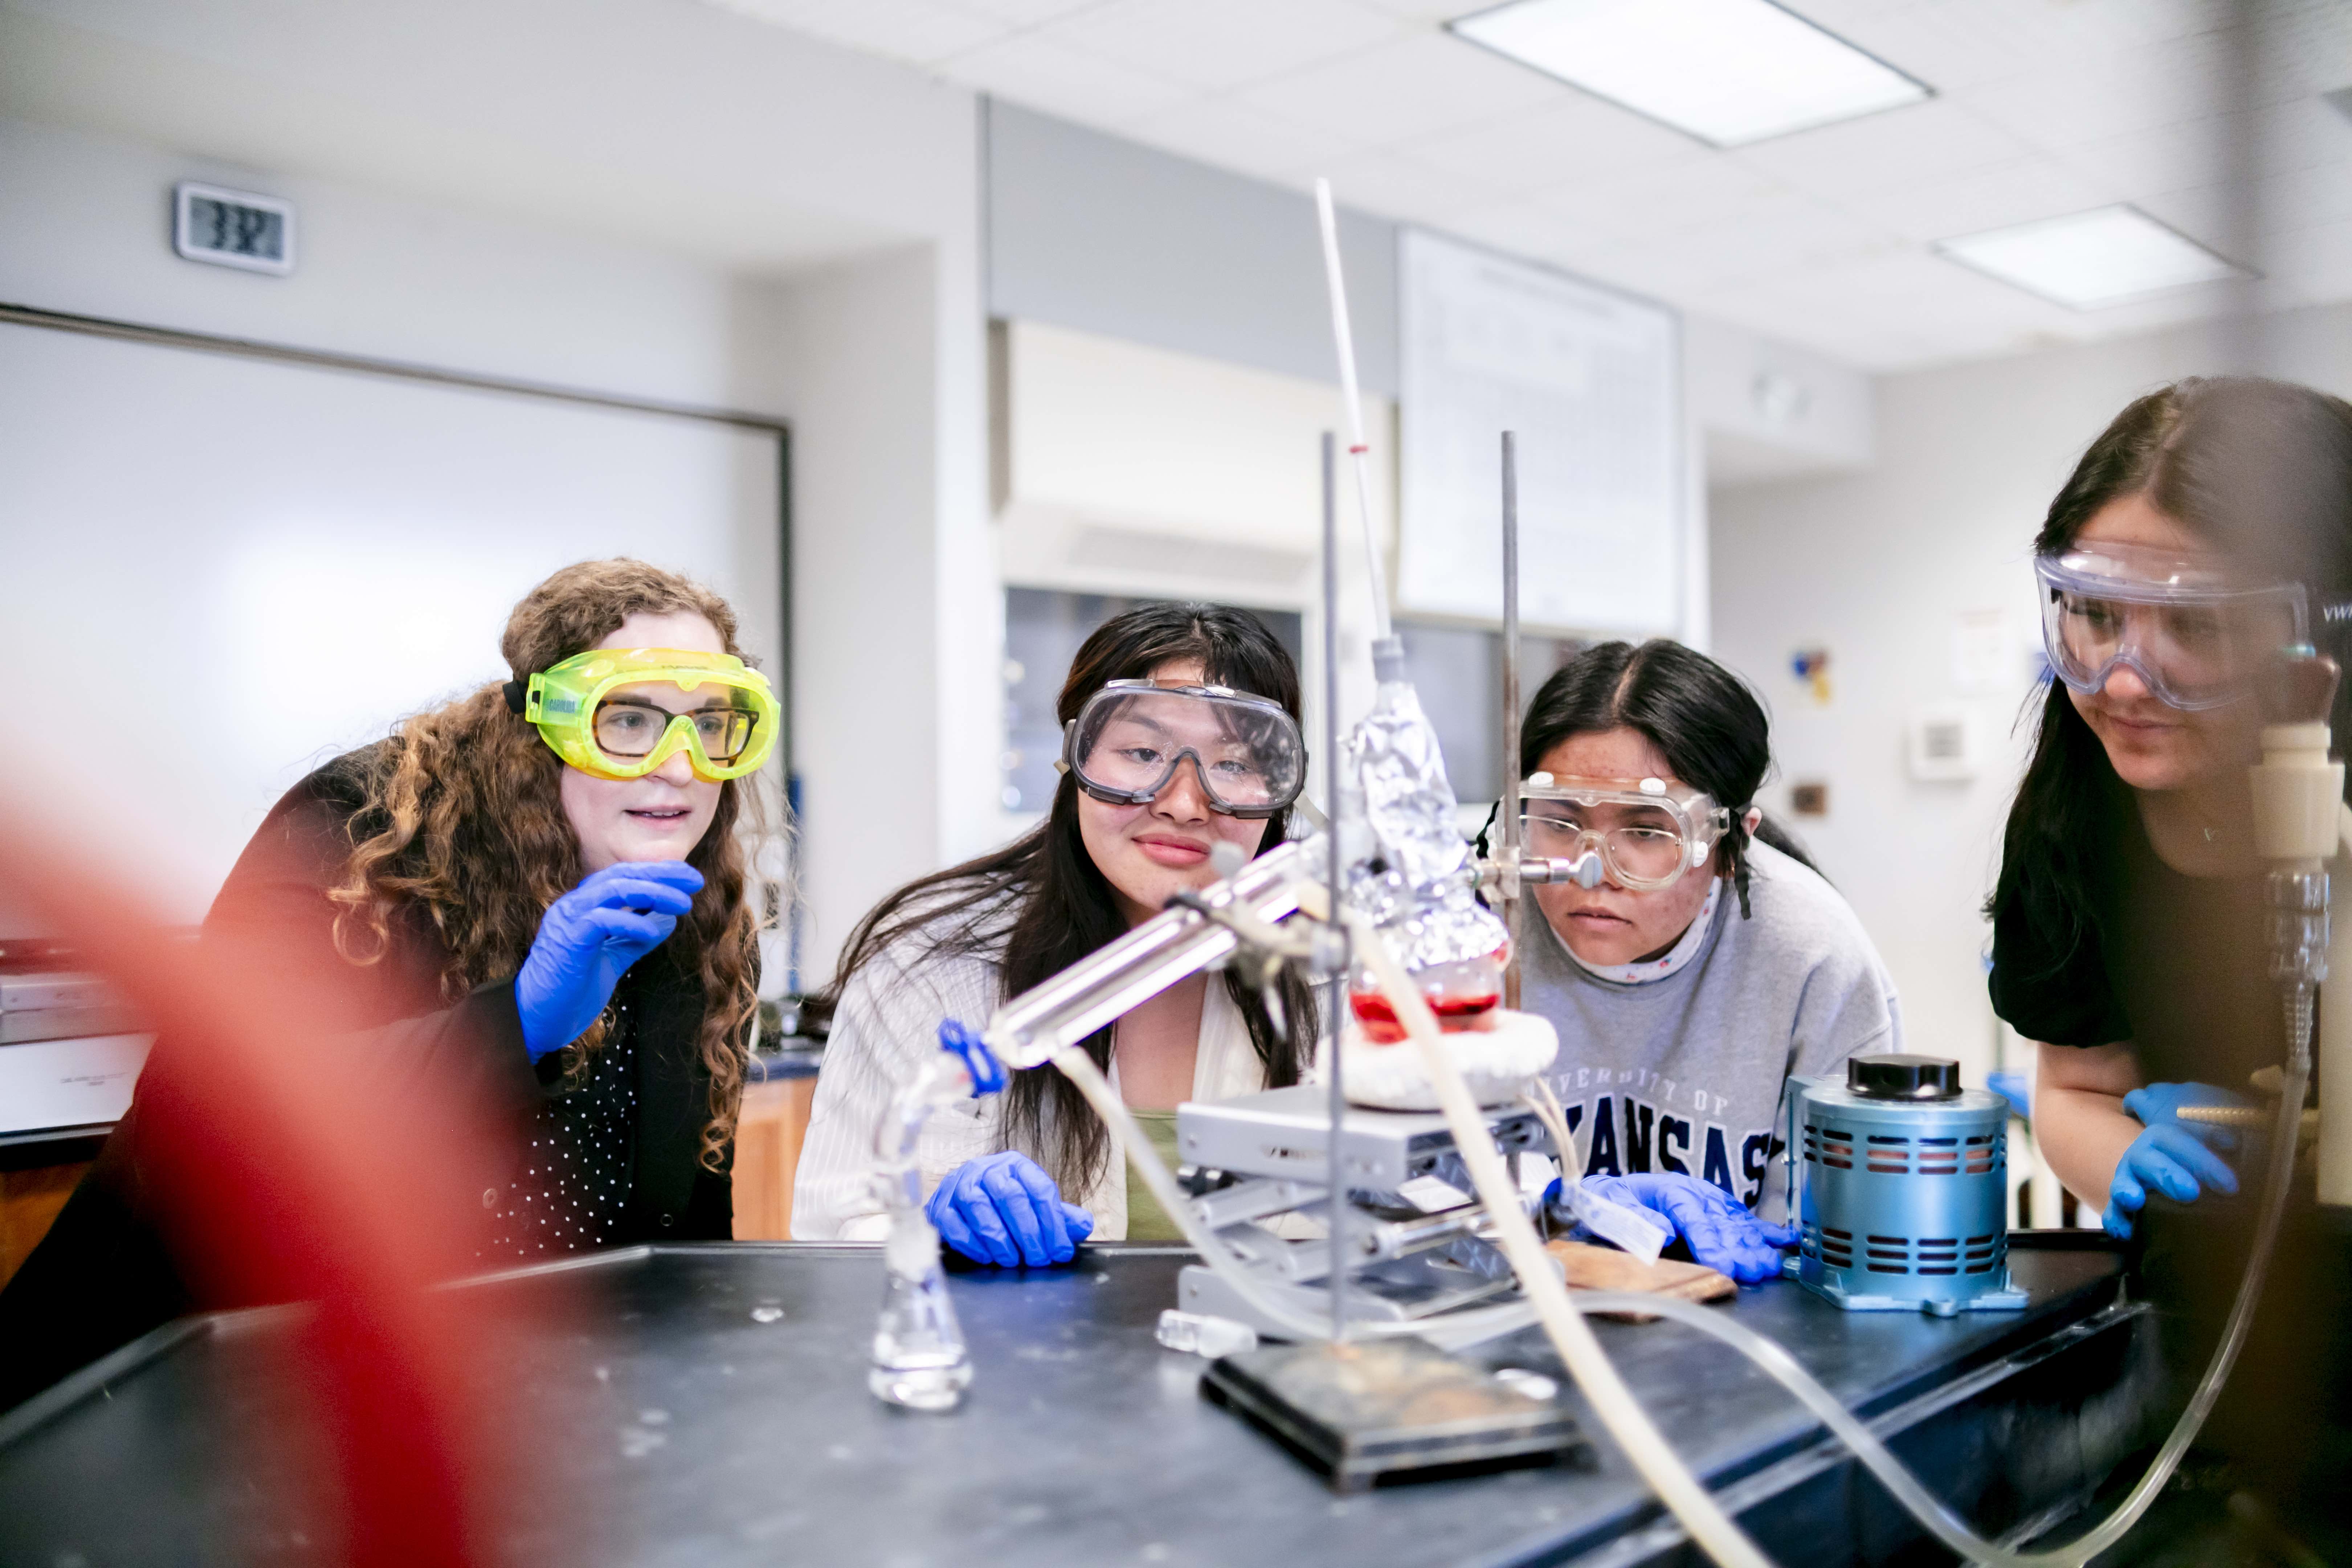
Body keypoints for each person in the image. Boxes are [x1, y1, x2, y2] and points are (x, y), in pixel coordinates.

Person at [0, 559, 774, 1406]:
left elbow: (687, 1236)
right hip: (167, 1391)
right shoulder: (363, 840)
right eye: (627, 719)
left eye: (711, 723)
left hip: (489, 1406)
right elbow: (206, 1122)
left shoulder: (702, 925)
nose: (680, 766)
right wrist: (511, 1026)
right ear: (541, 726)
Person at [793, 603, 1315, 1266]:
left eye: (1235, 763)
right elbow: (834, 1236)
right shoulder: (930, 965)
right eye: (1143, 752)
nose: (1185, 804)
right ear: (1074, 757)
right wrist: (933, 1231)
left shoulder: (1343, 975)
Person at [1988, 377, 2352, 1237]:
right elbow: (2074, 1090)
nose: (2123, 681)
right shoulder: (2077, 808)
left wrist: (2304, 1143)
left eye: (2197, 626)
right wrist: (2127, 1163)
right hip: (2212, 1268)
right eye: (2096, 614)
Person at [1508, 639, 1903, 1282]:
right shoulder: (1474, 931)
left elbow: (1849, 1235)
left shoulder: (1813, 955)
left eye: (1645, 830)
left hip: (1748, 1314)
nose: (1588, 870)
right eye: (1559, 820)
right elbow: (1401, 1188)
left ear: (1729, 845)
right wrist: (1549, 1208)